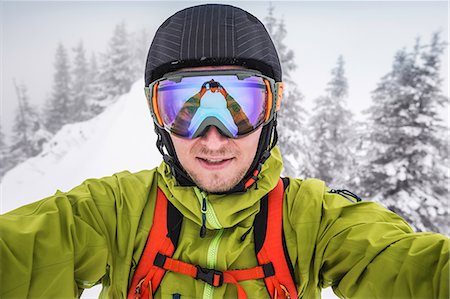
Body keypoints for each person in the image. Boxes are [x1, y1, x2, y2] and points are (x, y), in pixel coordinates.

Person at [0, 4, 448, 299]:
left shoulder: (312, 219)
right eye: (184, 107)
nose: (212, 137)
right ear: (157, 116)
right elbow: (23, 251)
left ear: (271, 110)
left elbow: (405, 264)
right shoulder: (115, 212)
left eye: (241, 106)